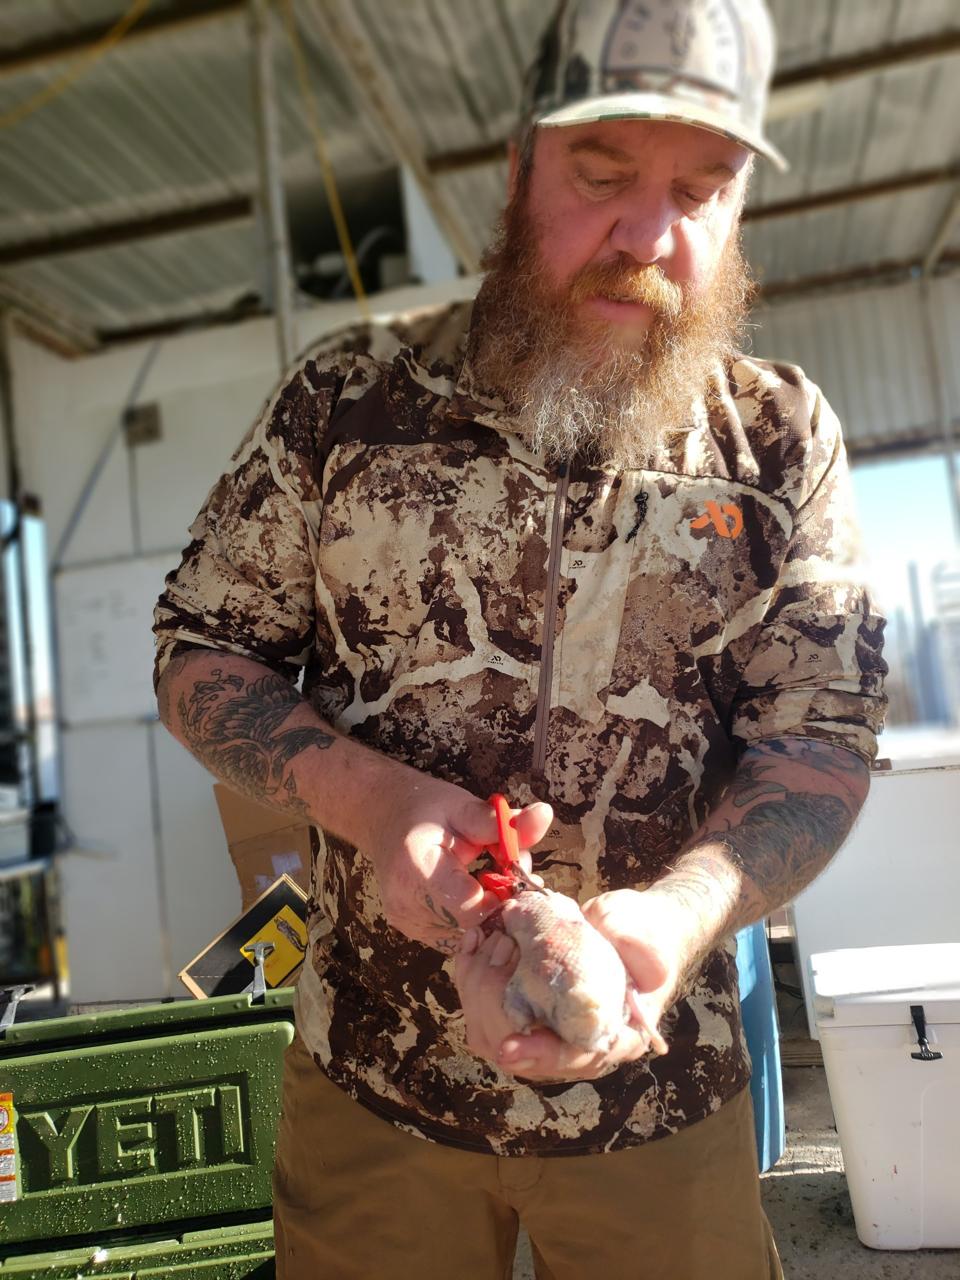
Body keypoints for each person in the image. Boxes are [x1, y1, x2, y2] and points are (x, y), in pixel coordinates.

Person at [154, 1, 885, 1275]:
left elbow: (821, 734)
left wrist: (674, 916)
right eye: (602, 178)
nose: (650, 236)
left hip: (660, 1102)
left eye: (703, 190)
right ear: (519, 169)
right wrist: (370, 797)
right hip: (370, 1082)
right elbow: (201, 647)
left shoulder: (777, 445)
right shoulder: (348, 403)